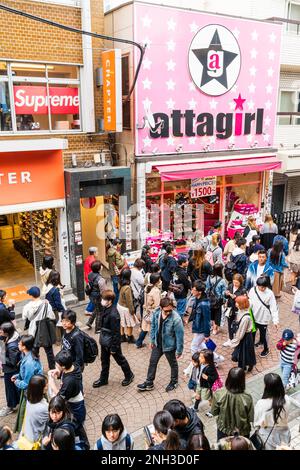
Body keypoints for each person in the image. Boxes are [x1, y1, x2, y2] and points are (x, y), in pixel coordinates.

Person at [137, 298, 184, 392]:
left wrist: (179, 350)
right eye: (166, 311)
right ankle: (149, 382)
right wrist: (152, 340)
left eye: (171, 310)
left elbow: (180, 336)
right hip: (158, 344)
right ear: (161, 308)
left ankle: (174, 382)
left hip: (169, 346)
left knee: (173, 364)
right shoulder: (156, 313)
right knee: (152, 362)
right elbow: (153, 326)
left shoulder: (176, 319)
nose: (169, 312)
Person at [92, 290, 134, 388]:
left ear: (110, 301)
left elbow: (116, 333)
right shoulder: (105, 308)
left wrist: (114, 347)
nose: (102, 301)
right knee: (104, 360)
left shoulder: (113, 314)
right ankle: (103, 379)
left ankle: (129, 375)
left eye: (104, 299)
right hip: (105, 340)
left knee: (120, 360)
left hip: (112, 342)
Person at [211, 367, 254, 439]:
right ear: (242, 380)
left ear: (228, 379)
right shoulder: (247, 397)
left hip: (223, 430)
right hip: (242, 432)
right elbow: (251, 417)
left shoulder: (219, 394)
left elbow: (214, 412)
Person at [13, 335, 43, 433]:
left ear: (24, 346)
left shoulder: (29, 362)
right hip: (33, 390)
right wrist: (18, 376)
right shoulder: (27, 355)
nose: (17, 344)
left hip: (31, 393)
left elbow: (27, 384)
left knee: (27, 415)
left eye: (19, 343)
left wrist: (17, 381)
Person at [48, 350, 86, 428]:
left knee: (76, 426)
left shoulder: (69, 382)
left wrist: (52, 384)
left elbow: (60, 397)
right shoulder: (74, 366)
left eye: (57, 364)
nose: (55, 365)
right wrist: (59, 373)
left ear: (63, 366)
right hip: (76, 397)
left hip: (75, 408)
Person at [254, 373, 291, 450]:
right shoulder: (287, 399)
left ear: (267, 387)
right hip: (284, 434)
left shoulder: (261, 403)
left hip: (268, 437)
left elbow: (257, 423)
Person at [22, 286, 56, 370]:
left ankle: (36, 368)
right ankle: (52, 369)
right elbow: (51, 316)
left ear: (30, 295)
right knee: (49, 352)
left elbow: (24, 317)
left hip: (32, 331)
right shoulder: (46, 304)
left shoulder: (27, 306)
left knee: (34, 352)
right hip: (44, 331)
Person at [223, 296, 256, 372]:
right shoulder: (241, 311)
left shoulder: (246, 317)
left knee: (243, 353)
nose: (235, 303)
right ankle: (247, 366)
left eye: (237, 302)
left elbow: (241, 332)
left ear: (241, 304)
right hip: (245, 336)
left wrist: (233, 342)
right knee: (246, 353)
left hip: (245, 337)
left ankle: (243, 368)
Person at [248, 276, 279, 357]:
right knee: (253, 334)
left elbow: (273, 307)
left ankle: (266, 349)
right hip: (254, 317)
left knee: (264, 335)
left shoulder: (270, 293)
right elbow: (250, 301)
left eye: (264, 287)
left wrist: (275, 321)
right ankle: (252, 349)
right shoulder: (252, 290)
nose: (262, 289)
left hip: (263, 319)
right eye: (260, 287)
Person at [18, 375, 48, 448]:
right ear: (40, 389)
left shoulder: (29, 399)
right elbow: (55, 409)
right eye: (46, 385)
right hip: (34, 442)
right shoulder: (43, 408)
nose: (47, 386)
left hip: (26, 435)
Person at [0, 322, 20, 417]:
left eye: (1, 331)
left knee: (10, 389)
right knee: (13, 389)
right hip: (10, 370)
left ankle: (10, 406)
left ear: (6, 333)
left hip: (11, 371)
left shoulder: (12, 346)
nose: (0, 332)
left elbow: (12, 362)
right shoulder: (10, 337)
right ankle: (13, 404)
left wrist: (1, 354)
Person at [136, 273, 161, 349]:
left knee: (145, 328)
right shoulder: (156, 290)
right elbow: (157, 304)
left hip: (146, 311)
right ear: (157, 281)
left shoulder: (147, 286)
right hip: (153, 312)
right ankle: (155, 344)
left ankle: (139, 342)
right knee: (155, 328)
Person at [189, 281, 211, 355]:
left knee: (193, 347)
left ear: (200, 292)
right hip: (198, 327)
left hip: (201, 329)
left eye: (194, 290)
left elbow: (207, 320)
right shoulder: (197, 298)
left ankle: (195, 364)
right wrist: (189, 319)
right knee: (201, 346)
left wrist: (207, 335)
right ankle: (216, 359)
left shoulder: (204, 304)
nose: (191, 291)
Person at [117, 269, 138, 344]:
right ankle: (130, 337)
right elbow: (129, 301)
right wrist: (132, 311)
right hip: (125, 307)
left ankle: (122, 336)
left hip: (119, 305)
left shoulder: (120, 282)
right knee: (130, 322)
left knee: (122, 321)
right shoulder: (127, 287)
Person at [45, 270, 66, 344]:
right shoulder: (55, 290)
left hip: (50, 308)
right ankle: (59, 341)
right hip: (56, 310)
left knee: (54, 324)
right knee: (58, 324)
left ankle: (57, 339)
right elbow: (58, 303)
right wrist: (63, 310)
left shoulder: (48, 286)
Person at [225, 274, 247, 340]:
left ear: (240, 282)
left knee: (238, 324)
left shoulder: (243, 290)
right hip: (230, 308)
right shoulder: (230, 286)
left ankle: (237, 338)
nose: (235, 284)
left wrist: (236, 297)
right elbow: (226, 296)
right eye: (234, 282)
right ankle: (230, 338)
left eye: (237, 283)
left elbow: (244, 301)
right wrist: (226, 294)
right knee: (229, 323)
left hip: (238, 309)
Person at [206, 264, 226, 335]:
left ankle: (211, 326)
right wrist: (224, 300)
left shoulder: (208, 278)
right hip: (218, 300)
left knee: (211, 313)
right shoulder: (222, 280)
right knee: (218, 314)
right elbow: (224, 292)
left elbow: (206, 289)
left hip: (209, 299)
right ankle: (215, 329)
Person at [86, 260, 107, 331]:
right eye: (101, 266)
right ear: (99, 268)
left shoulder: (90, 274)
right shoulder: (100, 279)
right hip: (98, 297)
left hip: (91, 295)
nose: (102, 267)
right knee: (100, 312)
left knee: (96, 308)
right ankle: (98, 328)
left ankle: (89, 322)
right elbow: (103, 291)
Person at [107, 238, 125, 303]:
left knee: (115, 287)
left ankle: (114, 301)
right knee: (118, 288)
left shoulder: (109, 250)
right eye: (120, 245)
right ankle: (116, 302)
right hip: (116, 273)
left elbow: (107, 260)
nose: (120, 246)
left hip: (111, 271)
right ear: (117, 244)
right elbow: (119, 264)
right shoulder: (116, 253)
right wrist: (123, 260)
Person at [83, 247, 98, 316]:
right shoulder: (92, 260)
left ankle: (90, 309)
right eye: (97, 252)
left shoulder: (87, 258)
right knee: (94, 296)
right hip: (92, 280)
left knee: (93, 295)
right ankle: (88, 310)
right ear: (94, 252)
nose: (97, 253)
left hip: (88, 278)